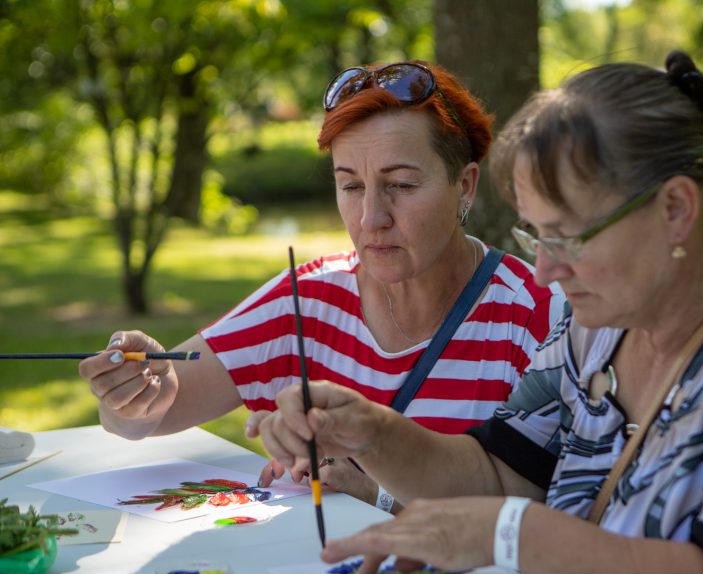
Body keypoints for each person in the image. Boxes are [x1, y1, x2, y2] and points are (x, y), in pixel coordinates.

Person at [259, 51, 703, 574]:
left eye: (567, 237)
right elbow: (500, 471)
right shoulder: (596, 326)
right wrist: (374, 433)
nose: (544, 270)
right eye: (535, 238)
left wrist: (511, 537)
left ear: (676, 209)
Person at [78, 60, 564, 513]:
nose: (372, 218)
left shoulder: (537, 317)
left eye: (401, 185)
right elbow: (150, 412)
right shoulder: (309, 299)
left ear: (465, 185)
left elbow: (550, 510)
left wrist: (375, 495)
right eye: (351, 186)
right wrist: (136, 393)